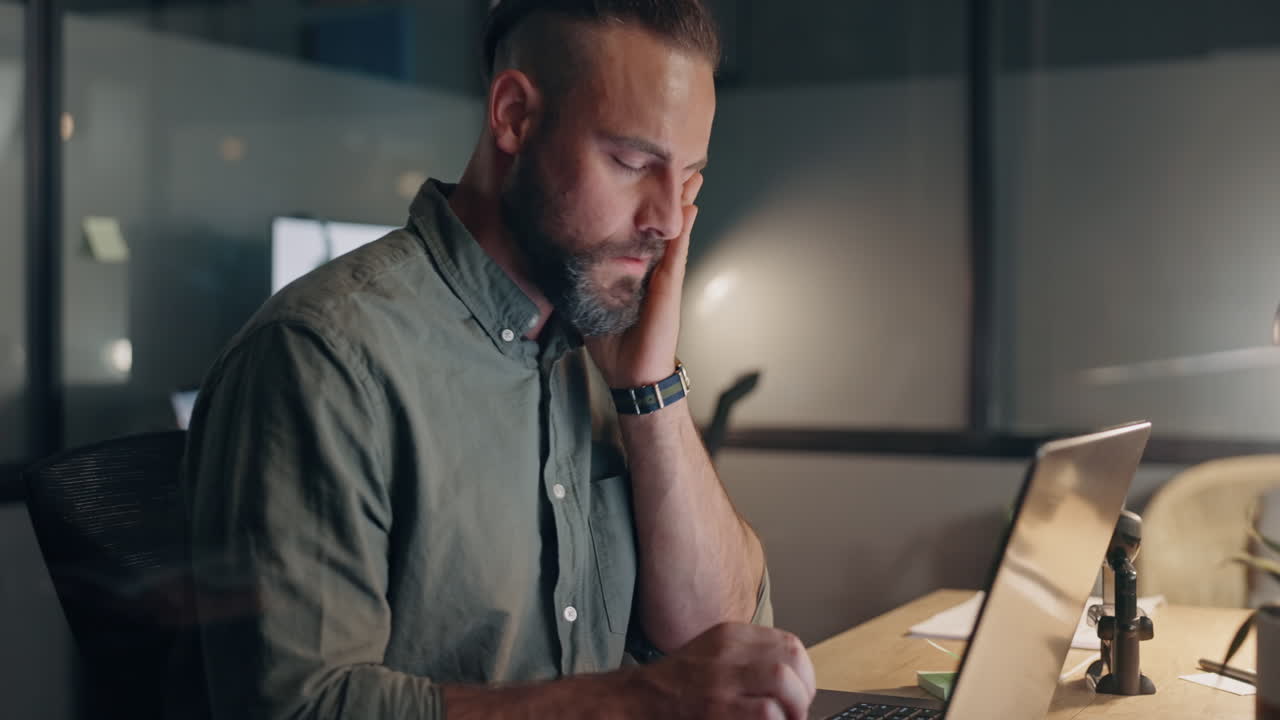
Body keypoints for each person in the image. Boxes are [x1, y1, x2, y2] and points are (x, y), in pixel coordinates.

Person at [174, 1, 816, 718]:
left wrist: (650, 391)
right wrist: (634, 700)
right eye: (634, 163)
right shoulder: (324, 359)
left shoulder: (601, 341)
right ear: (513, 115)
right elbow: (300, 708)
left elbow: (720, 632)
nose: (666, 219)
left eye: (690, 179)